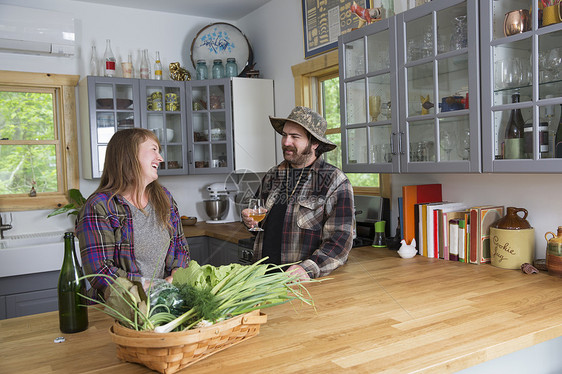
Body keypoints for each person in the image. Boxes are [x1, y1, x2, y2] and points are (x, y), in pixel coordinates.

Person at [241, 106, 355, 281]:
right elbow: (261, 225)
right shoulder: (273, 175)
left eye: (295, 137)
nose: (286, 142)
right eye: (285, 135)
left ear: (314, 143)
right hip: (263, 281)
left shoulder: (335, 181)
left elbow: (340, 241)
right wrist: (249, 220)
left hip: (303, 285)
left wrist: (307, 269)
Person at [75, 128, 189, 298]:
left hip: (161, 302)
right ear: (130, 155)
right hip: (118, 307)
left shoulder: (164, 197)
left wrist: (174, 277)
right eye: (153, 150)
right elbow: (100, 272)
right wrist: (148, 286)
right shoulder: (100, 206)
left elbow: (180, 248)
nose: (161, 158)